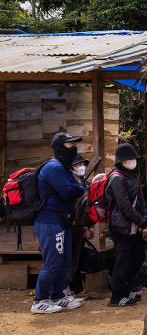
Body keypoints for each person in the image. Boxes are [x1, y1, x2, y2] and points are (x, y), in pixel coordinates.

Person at [31, 132, 86, 314]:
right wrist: (78, 188)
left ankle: (56, 296)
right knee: (52, 262)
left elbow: (77, 188)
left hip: (62, 221)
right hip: (49, 221)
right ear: (60, 147)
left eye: (73, 145)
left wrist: (77, 188)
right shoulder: (54, 168)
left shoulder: (64, 167)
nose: (73, 148)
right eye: (69, 145)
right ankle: (39, 300)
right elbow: (68, 191)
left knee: (64, 261)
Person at [106, 143, 147, 307]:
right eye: (129, 159)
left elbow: (140, 199)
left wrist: (146, 217)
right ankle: (116, 297)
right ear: (122, 161)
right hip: (121, 227)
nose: (133, 161)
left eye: (133, 158)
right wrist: (140, 220)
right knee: (123, 261)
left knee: (138, 258)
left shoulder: (131, 176)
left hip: (133, 227)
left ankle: (126, 290)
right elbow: (124, 205)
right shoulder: (116, 178)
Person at [63, 154, 94, 301]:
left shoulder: (84, 183)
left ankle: (71, 290)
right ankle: (62, 290)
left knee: (75, 257)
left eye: (83, 164)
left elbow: (87, 207)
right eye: (77, 164)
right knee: (64, 258)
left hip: (79, 227)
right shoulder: (66, 183)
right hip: (65, 226)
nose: (81, 167)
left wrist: (89, 226)